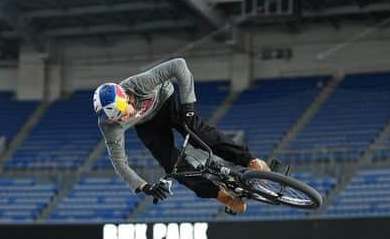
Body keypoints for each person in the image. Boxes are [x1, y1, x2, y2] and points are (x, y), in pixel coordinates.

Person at [94, 58, 271, 215]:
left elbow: (179, 65)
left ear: (124, 98)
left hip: (166, 101)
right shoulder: (110, 125)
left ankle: (250, 161)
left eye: (122, 113)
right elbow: (119, 163)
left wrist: (188, 106)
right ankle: (223, 197)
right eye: (116, 118)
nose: (122, 119)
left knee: (196, 132)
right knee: (173, 166)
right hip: (147, 126)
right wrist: (144, 186)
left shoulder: (140, 84)